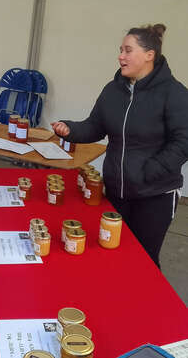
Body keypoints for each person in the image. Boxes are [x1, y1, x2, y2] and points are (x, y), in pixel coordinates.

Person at [52, 24, 188, 268]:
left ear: (149, 55)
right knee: (110, 253)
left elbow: (184, 141)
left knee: (143, 260)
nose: (120, 56)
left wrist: (151, 170)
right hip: (116, 190)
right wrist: (70, 129)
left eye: (128, 50)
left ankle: (144, 305)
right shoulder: (113, 90)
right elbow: (95, 126)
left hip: (154, 195)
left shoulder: (174, 94)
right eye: (120, 50)